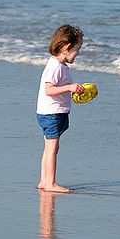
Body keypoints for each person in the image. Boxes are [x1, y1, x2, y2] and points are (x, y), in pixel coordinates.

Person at [36, 24, 85, 193]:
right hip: (51, 113)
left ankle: (44, 180)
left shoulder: (59, 65)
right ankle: (50, 183)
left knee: (49, 148)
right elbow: (49, 90)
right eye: (77, 49)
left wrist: (73, 91)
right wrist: (70, 88)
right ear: (67, 47)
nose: (78, 53)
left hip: (51, 112)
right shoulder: (55, 67)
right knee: (52, 149)